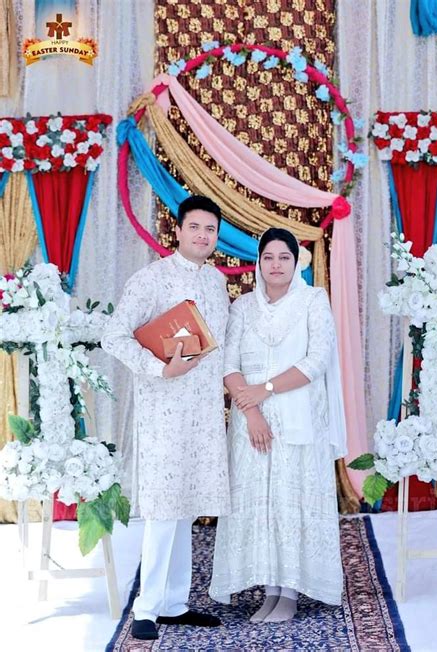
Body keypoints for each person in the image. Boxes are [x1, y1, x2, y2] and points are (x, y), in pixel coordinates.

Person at [102, 196, 230, 640]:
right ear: (178, 230)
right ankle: (147, 607)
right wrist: (161, 369)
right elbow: (113, 335)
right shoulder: (151, 279)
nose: (202, 236)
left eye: (210, 230)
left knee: (187, 507)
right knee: (162, 509)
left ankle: (175, 602)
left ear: (216, 235)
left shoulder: (215, 283)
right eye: (194, 227)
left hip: (205, 414)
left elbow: (221, 345)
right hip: (164, 413)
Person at [209, 227, 347, 623]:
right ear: (259, 262)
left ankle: (289, 593)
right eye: (268, 257)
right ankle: (269, 591)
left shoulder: (313, 301)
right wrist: (251, 410)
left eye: (283, 257)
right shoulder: (243, 307)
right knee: (260, 504)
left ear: (295, 261)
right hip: (250, 420)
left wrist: (265, 391)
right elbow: (228, 364)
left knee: (291, 501)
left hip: (296, 415)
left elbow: (316, 360)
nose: (275, 265)